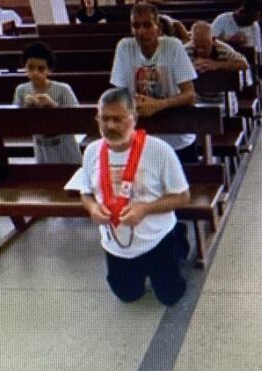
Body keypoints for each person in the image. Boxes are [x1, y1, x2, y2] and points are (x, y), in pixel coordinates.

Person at [65, 88, 191, 306]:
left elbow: (183, 197)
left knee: (171, 296)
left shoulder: (159, 150)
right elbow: (85, 193)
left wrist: (145, 209)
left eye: (118, 119)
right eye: (104, 119)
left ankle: (177, 240)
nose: (110, 126)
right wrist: (93, 208)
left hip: (156, 239)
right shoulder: (92, 151)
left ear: (133, 119)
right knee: (128, 296)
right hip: (115, 242)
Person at [110, 2, 198, 163]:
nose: (141, 32)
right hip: (141, 137)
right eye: (135, 26)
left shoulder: (173, 47)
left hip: (177, 137)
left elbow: (190, 95)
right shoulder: (124, 47)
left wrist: (159, 104)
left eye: (147, 25)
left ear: (158, 27)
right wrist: (133, 102)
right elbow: (119, 94)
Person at [12, 42, 82, 164]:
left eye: (41, 68)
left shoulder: (63, 89)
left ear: (49, 70)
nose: (35, 73)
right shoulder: (21, 90)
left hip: (65, 145)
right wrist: (25, 109)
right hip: (41, 146)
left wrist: (53, 106)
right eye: (31, 67)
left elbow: (76, 119)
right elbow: (16, 122)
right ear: (25, 67)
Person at [184, 21, 249, 106]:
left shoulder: (223, 49)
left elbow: (244, 64)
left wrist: (217, 65)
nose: (201, 50)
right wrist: (190, 67)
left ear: (213, 40)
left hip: (222, 101)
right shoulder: (185, 51)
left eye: (205, 47)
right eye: (197, 46)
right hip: (196, 101)